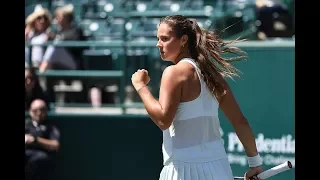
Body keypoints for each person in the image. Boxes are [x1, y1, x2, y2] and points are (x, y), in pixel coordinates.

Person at [131, 15, 264, 180]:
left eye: (165, 39)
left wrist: (140, 86)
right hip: (219, 169)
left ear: (183, 40)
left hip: (182, 171)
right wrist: (255, 163)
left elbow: (163, 120)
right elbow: (240, 121)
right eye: (158, 39)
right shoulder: (212, 75)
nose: (159, 44)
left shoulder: (173, 73)